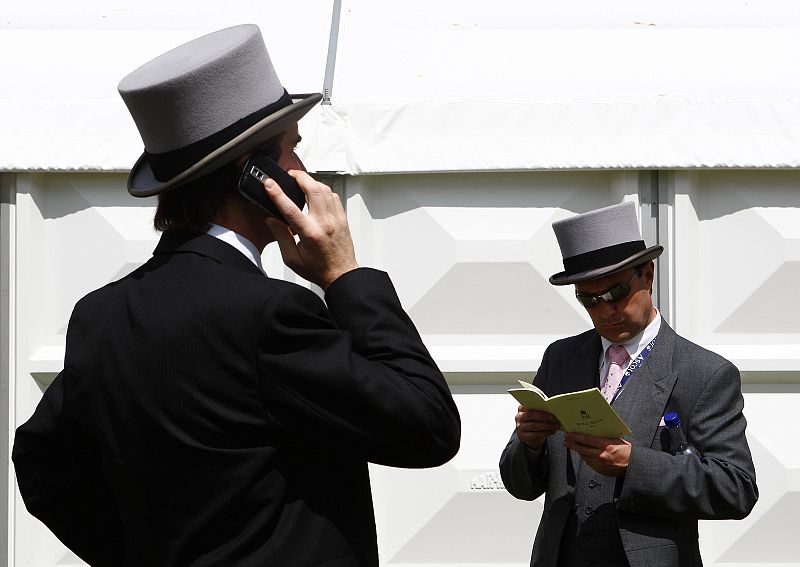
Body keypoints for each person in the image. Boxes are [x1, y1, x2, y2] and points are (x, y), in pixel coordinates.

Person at [13, 24, 460, 567]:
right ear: (257, 175)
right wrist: (344, 275)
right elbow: (428, 426)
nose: (304, 171)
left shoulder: (100, 315)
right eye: (293, 151)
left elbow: (42, 464)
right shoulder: (271, 313)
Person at [499, 202, 757, 567]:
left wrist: (634, 463)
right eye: (589, 300)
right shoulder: (560, 358)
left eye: (616, 292)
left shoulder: (705, 372)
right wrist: (530, 444)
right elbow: (520, 486)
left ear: (647, 275)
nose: (606, 310)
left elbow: (736, 488)